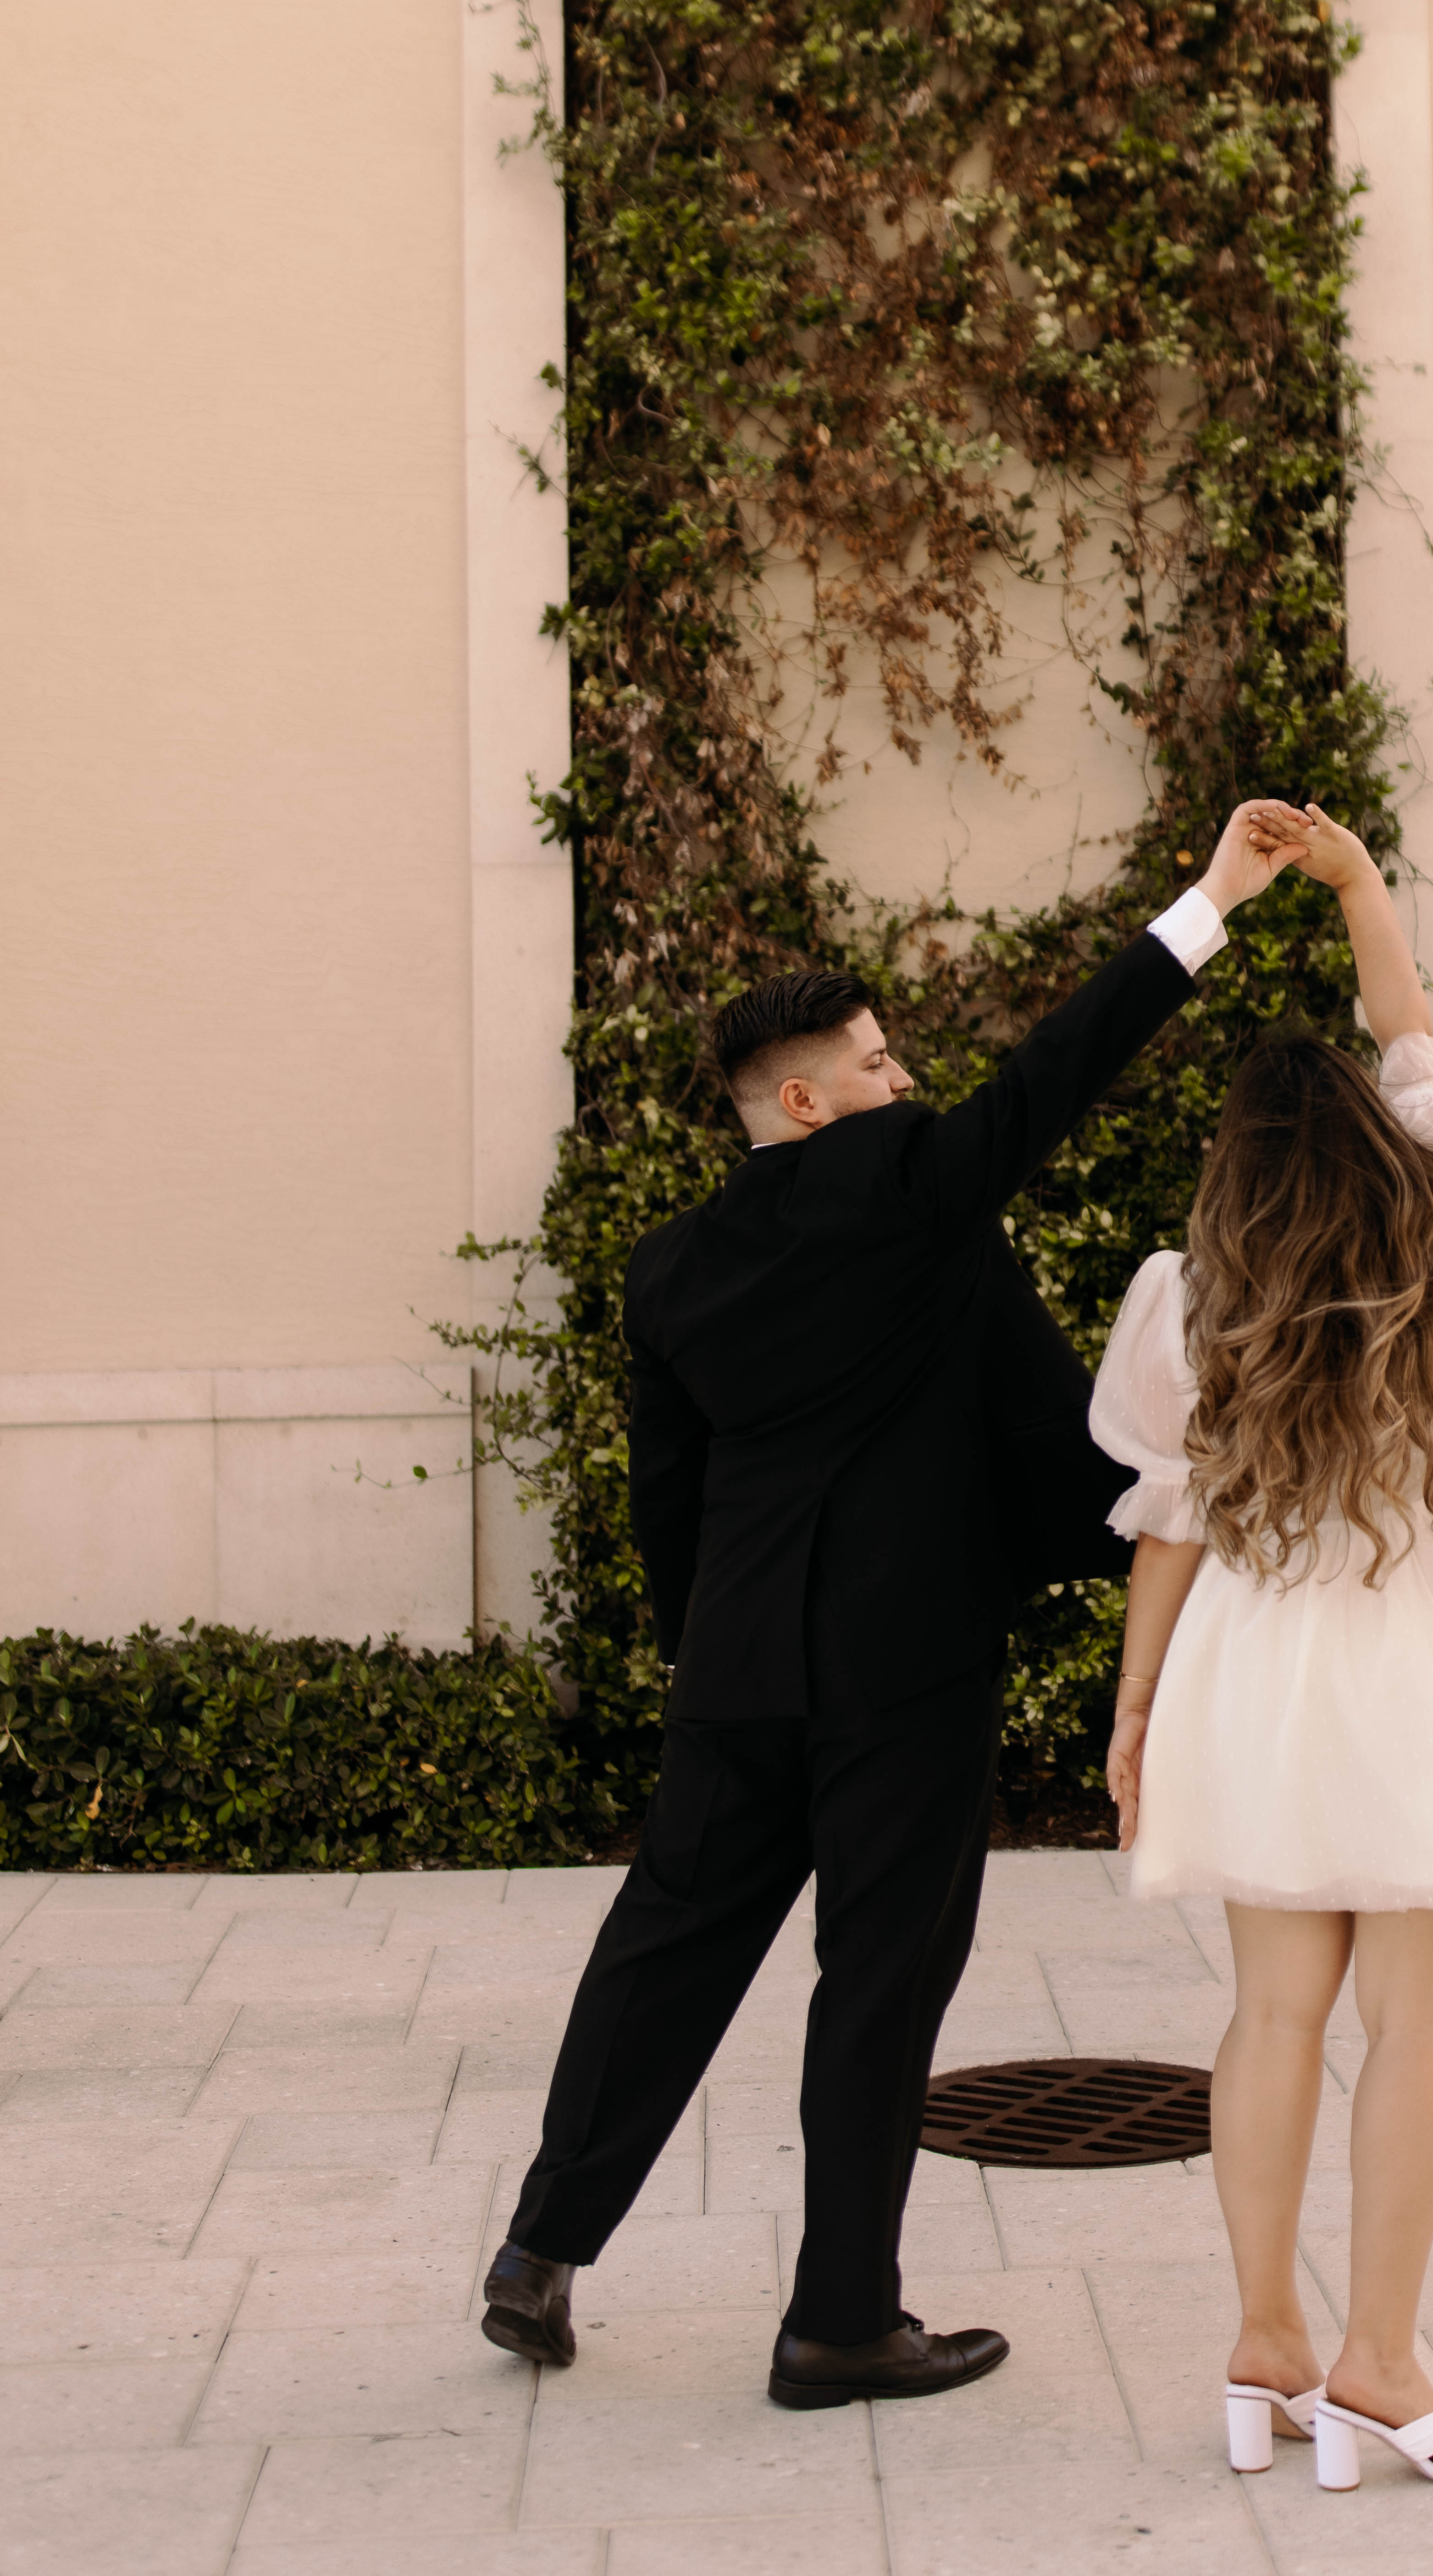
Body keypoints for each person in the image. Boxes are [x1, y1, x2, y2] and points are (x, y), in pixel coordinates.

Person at [479, 802, 1311, 2409]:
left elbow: (669, 1501)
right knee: (877, 1980)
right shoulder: (912, 1185)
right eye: (873, 1061)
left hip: (737, 1663)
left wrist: (706, 1661)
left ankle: (538, 2253)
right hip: (906, 1665)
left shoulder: (670, 1269)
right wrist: (1208, 900)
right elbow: (1061, 1067)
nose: (903, 1078)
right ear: (803, 1102)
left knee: (661, 1951)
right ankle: (838, 2321)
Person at [1092, 804, 1433, 2493]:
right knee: (1419, 2033)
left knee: (1272, 2020)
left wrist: (1130, 1717)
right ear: (1374, 1139)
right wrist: (1355, 886)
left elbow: (1170, 1518)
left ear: (1233, 1173)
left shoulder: (1195, 1291)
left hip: (1264, 1671)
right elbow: (1415, 1041)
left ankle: (1265, 2341)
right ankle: (1378, 2368)